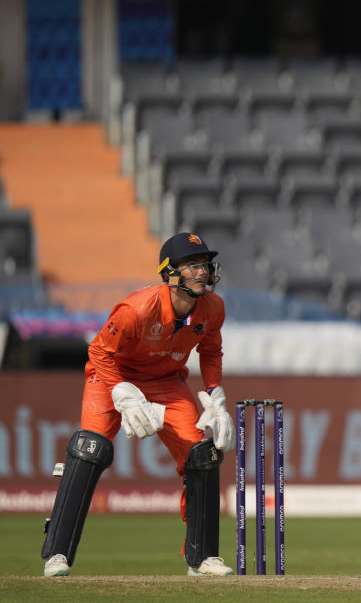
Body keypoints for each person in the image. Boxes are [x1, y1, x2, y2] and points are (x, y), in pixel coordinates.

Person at [41, 232, 236, 577]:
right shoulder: (136, 309)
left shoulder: (213, 307)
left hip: (166, 381)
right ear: (170, 274)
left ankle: (202, 557)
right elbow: (99, 351)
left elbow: (211, 351)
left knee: (201, 454)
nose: (202, 272)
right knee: (90, 449)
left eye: (203, 264)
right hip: (112, 375)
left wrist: (216, 393)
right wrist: (120, 390)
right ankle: (57, 553)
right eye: (191, 266)